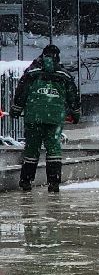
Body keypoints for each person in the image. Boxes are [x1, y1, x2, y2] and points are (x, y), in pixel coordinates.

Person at [11, 44, 81, 193]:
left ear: (42, 56)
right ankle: (54, 183)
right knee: (54, 150)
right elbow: (73, 97)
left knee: (31, 149)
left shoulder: (31, 72)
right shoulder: (64, 75)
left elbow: (21, 93)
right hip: (54, 119)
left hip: (33, 118)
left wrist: (16, 110)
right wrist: (75, 114)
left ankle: (26, 181)